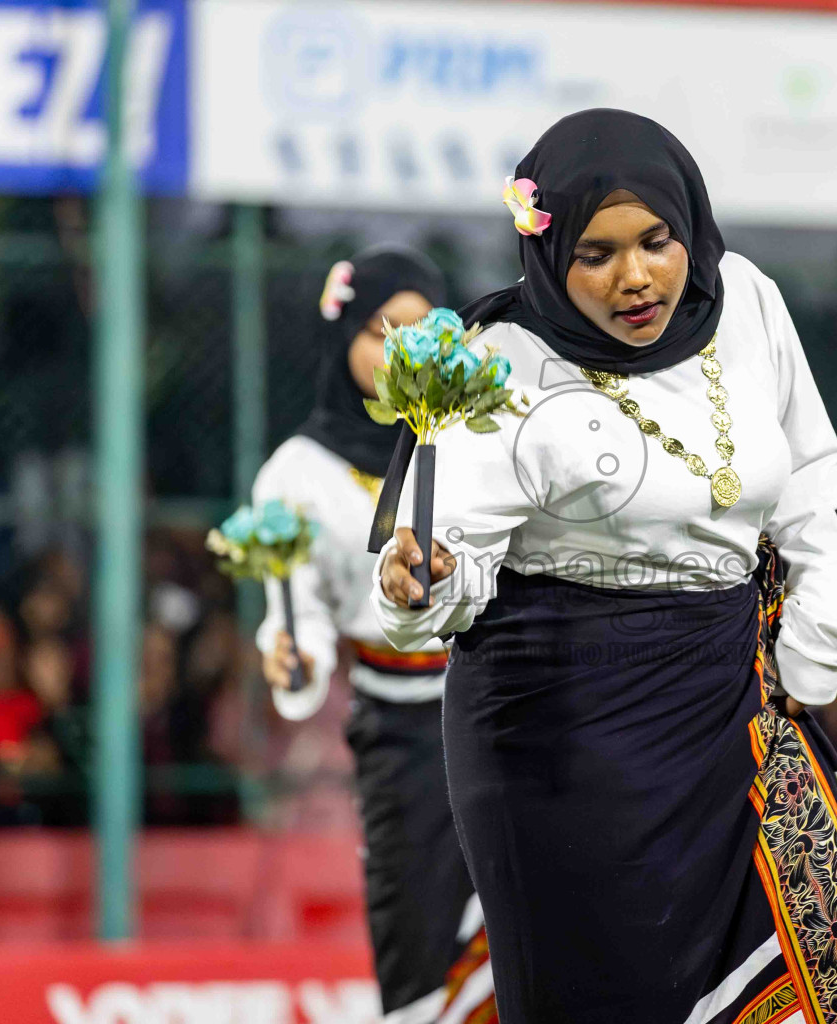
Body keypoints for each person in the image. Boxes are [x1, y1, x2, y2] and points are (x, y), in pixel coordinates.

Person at [372, 110, 837, 1023]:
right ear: (549, 254)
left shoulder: (746, 301)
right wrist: (425, 579)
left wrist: (819, 627)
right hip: (561, 737)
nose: (635, 278)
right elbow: (446, 570)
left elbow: (805, 471)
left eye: (656, 241)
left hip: (734, 700)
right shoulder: (501, 362)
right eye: (594, 254)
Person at [253, 245, 485, 1023]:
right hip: (403, 730)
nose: (401, 351)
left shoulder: (480, 438)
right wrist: (295, 660)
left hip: (506, 709)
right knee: (416, 938)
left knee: (535, 924)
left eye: (421, 331)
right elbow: (299, 610)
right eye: (381, 331)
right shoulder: (299, 471)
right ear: (341, 333)